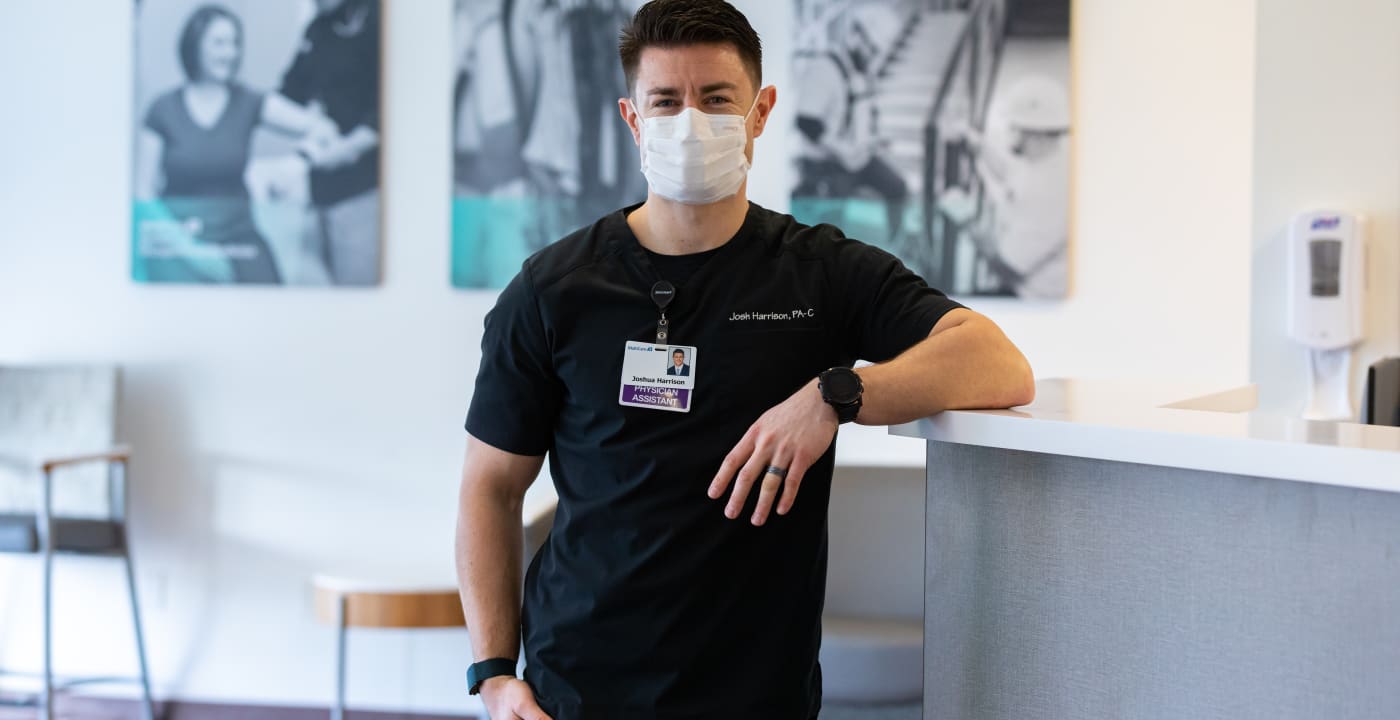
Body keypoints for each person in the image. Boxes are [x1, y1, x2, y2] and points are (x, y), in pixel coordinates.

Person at [455, 2, 1034, 719]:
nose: (689, 121)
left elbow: (996, 360)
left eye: (716, 98)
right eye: (665, 101)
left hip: (756, 695)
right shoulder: (553, 290)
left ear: (760, 113)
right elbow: (490, 487)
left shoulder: (820, 274)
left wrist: (836, 394)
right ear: (634, 119)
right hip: (578, 688)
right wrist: (492, 671)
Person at [135, 4, 335, 284]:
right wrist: (190, 250)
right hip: (179, 237)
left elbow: (323, 129)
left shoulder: (249, 102)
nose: (229, 53)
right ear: (194, 46)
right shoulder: (162, 110)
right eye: (219, 43)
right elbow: (143, 192)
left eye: (234, 43)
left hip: (238, 236)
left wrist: (300, 160)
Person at [279, 0, 381, 286]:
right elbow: (290, 91)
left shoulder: (380, 24)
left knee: (356, 291)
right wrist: (308, 123)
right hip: (318, 187)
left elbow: (389, 108)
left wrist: (348, 149)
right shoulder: (318, 29)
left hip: (362, 190)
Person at [941, 75, 1071, 298]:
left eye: (1014, 127)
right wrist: (974, 142)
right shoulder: (1046, 161)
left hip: (1031, 299)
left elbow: (1006, 266)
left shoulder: (1050, 195)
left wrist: (964, 217)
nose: (1009, 132)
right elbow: (1010, 170)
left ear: (1035, 133)